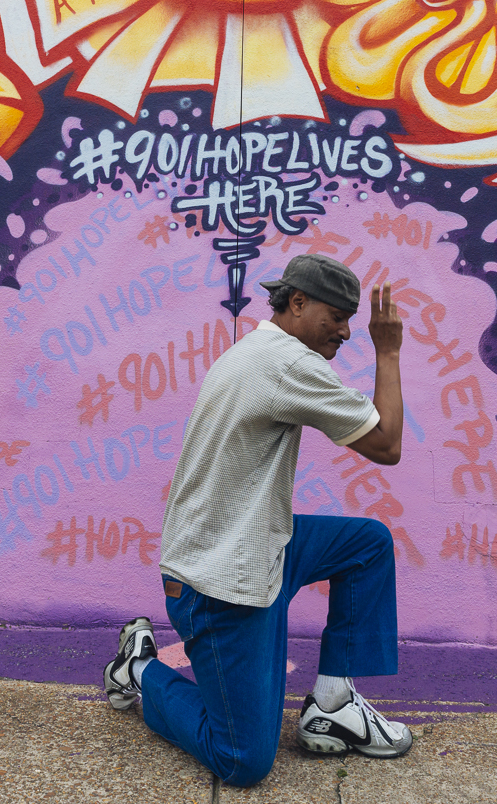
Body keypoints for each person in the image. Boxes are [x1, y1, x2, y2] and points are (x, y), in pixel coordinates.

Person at [103, 252, 410, 787]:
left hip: (258, 542)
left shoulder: (257, 347)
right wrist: (389, 351)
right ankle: (139, 671)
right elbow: (386, 444)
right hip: (220, 581)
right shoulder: (288, 363)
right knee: (243, 760)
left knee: (367, 543)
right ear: (297, 303)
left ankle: (334, 704)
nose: (344, 331)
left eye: (349, 321)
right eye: (335, 316)